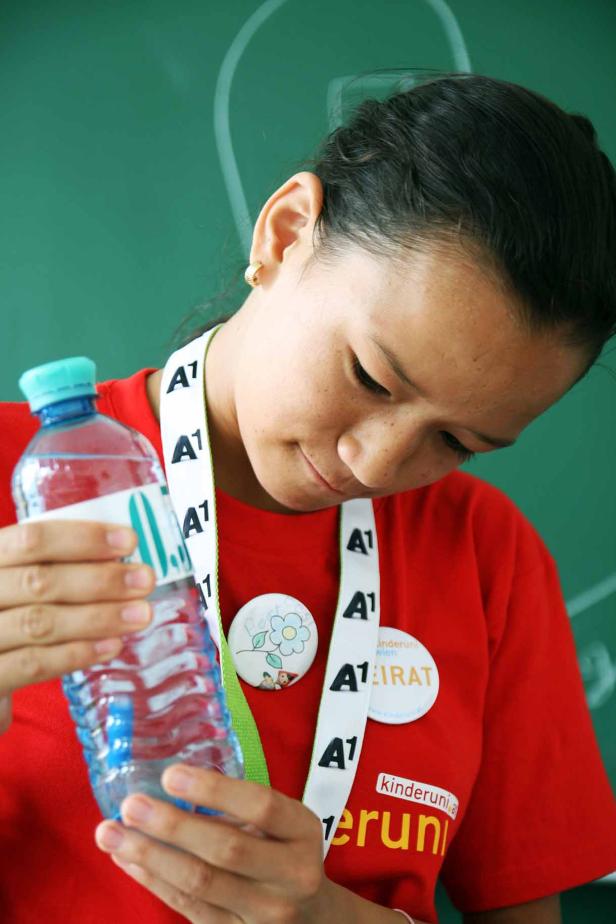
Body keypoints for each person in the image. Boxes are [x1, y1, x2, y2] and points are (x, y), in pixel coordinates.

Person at [0, 72, 615, 924]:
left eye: (457, 442)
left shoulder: (487, 555)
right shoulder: (29, 479)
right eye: (371, 376)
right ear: (285, 234)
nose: (375, 462)